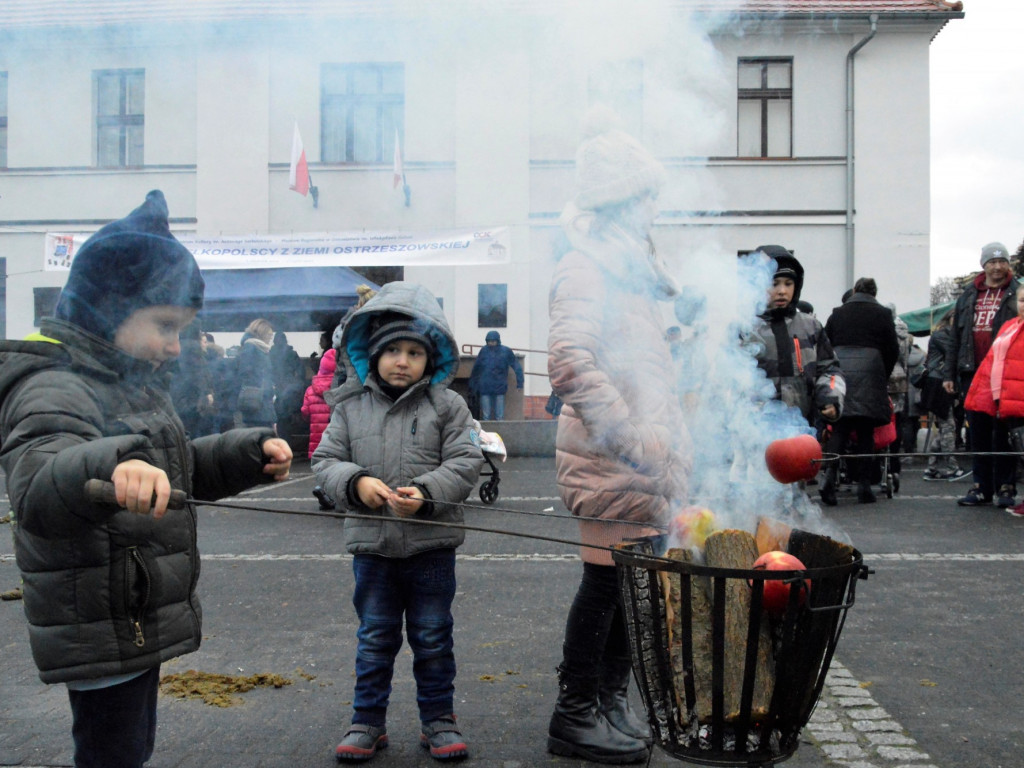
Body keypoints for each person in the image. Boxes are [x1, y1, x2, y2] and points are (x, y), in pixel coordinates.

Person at [0, 190, 293, 768]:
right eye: (164, 324)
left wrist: (244, 451)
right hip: (100, 621)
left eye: (181, 330)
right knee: (112, 755)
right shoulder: (54, 384)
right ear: (109, 308)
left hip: (127, 616)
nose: (173, 346)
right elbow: (38, 484)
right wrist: (109, 466)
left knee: (127, 749)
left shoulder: (129, 380)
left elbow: (172, 470)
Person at [546, 112, 691, 764]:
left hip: (648, 462)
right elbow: (572, 360)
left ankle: (608, 704)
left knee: (632, 591)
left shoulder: (631, 273)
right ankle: (575, 714)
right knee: (607, 588)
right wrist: (631, 437)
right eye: (644, 196)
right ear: (617, 201)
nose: (653, 208)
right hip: (613, 459)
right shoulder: (585, 268)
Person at [312, 281, 483, 763]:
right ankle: (367, 721)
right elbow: (324, 461)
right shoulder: (348, 407)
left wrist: (427, 493)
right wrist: (356, 482)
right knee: (374, 638)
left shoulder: (448, 407)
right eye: (392, 350)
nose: (402, 360)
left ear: (432, 359)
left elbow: (466, 462)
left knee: (433, 638)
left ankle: (439, 721)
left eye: (414, 351)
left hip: (431, 550)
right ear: (373, 353)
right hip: (373, 550)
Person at [944, 242, 1020, 506]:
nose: (998, 267)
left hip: (1006, 372)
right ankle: (980, 487)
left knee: (1004, 432)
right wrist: (948, 373)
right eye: (992, 262)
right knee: (977, 432)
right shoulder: (967, 295)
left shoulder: (1017, 292)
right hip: (973, 372)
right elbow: (955, 337)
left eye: (1002, 262)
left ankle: (1006, 487)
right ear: (983, 265)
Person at [747, 245, 844, 434]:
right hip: (757, 433)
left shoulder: (810, 326)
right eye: (774, 284)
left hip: (803, 429)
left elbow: (829, 369)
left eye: (788, 283)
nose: (782, 291)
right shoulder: (745, 329)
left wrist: (830, 398)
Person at [823, 277, 900, 504]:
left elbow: (825, 345)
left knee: (839, 427)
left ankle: (829, 478)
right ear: (875, 293)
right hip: (871, 371)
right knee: (866, 431)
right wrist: (881, 375)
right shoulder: (883, 314)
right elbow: (892, 349)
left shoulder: (837, 313)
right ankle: (864, 487)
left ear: (855, 290)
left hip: (841, 372)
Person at [962, 282, 1024, 513]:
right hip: (995, 395)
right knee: (984, 440)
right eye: (1022, 300)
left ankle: (1006, 487)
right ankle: (983, 488)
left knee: (1010, 445)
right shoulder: (1009, 325)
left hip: (1016, 398)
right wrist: (979, 393)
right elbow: (993, 362)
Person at [921, 311, 967, 480]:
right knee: (948, 427)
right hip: (939, 384)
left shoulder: (941, 334)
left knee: (943, 427)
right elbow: (955, 354)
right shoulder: (944, 335)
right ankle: (951, 466)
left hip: (937, 383)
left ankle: (931, 468)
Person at [169, 319, 216, 438]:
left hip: (177, 399)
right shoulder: (193, 349)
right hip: (192, 402)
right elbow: (197, 377)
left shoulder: (177, 348)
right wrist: (206, 395)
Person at [467, 331, 524, 420]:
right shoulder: (486, 351)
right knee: (487, 416)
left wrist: (520, 383)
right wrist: (472, 385)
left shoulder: (504, 351)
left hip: (497, 386)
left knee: (498, 416)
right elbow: (476, 369)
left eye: (493, 341)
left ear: (498, 341)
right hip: (488, 386)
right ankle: (489, 433)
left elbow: (517, 367)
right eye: (489, 341)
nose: (491, 343)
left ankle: (498, 433)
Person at [235, 318, 276, 429]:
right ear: (261, 333)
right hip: (257, 403)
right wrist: (267, 388)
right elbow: (245, 373)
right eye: (269, 335)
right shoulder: (252, 348)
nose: (270, 338)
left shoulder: (259, 348)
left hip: (261, 402)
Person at [301, 347, 336, 458]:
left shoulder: (310, 390)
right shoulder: (343, 389)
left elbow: (305, 412)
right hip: (336, 442)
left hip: (317, 443)